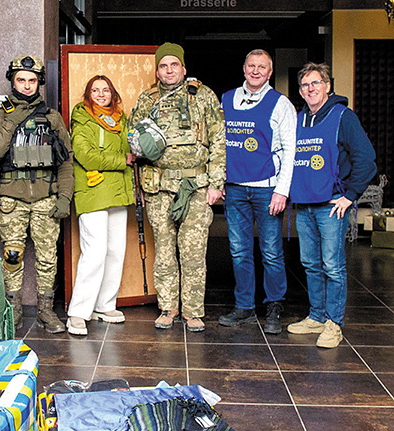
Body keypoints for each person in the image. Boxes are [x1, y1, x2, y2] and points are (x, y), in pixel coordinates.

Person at [129, 42, 225, 332]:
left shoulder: (203, 96)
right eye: (163, 65)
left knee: (194, 252)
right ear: (157, 70)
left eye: (174, 65)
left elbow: (219, 140)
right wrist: (140, 186)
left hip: (196, 186)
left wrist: (216, 183)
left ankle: (193, 310)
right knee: (166, 251)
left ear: (183, 68)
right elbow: (134, 141)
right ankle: (168, 307)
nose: (169, 70)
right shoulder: (147, 99)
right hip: (158, 188)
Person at [0, 55, 74, 333]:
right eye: (21, 80)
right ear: (13, 81)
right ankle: (14, 311)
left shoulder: (52, 118)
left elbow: (66, 162)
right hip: (11, 198)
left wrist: (65, 197)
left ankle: (45, 311)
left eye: (32, 80)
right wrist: (11, 121)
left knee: (47, 257)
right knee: (12, 256)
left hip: (46, 197)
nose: (27, 85)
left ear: (39, 83)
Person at [287, 63, 376, 348]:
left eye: (315, 83)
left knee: (333, 267)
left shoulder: (343, 117)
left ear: (327, 85)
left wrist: (350, 196)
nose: (310, 89)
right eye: (304, 86)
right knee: (311, 265)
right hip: (304, 206)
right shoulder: (298, 119)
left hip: (331, 206)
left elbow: (366, 159)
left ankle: (334, 323)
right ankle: (316, 316)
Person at [218, 49, 297, 335]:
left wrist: (282, 191)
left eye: (261, 67)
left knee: (272, 252)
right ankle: (244, 307)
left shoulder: (281, 104)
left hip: (267, 190)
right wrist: (218, 181)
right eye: (251, 65)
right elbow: (216, 144)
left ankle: (274, 304)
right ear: (243, 68)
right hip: (235, 188)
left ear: (270, 71)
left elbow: (290, 151)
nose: (255, 71)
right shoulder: (226, 99)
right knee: (239, 251)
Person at [66, 75, 135, 336]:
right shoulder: (82, 116)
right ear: (87, 94)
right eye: (95, 90)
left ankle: (104, 305)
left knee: (115, 251)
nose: (101, 94)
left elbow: (130, 150)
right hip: (93, 191)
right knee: (93, 253)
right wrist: (122, 159)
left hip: (118, 191)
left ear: (113, 93)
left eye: (105, 89)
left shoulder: (120, 118)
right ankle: (77, 313)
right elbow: (84, 153)